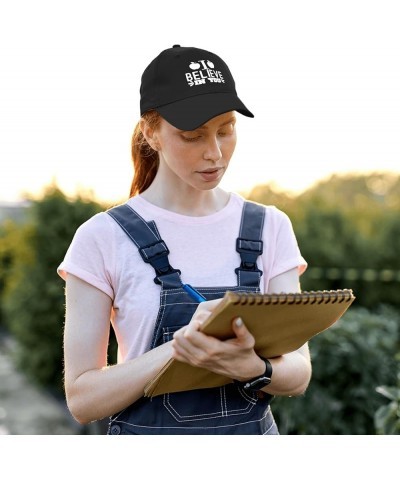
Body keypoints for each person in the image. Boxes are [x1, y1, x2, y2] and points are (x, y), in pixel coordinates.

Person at [58, 45, 311, 435]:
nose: (215, 153)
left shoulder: (269, 227)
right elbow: (83, 399)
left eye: (226, 129)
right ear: (151, 132)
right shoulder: (102, 237)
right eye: (192, 136)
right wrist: (184, 348)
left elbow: (298, 372)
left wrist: (253, 368)